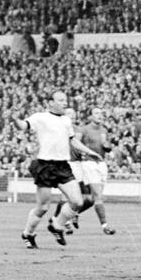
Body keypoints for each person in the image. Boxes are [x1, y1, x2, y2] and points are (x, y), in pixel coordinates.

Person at [19, 91, 103, 248]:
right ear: (51, 102)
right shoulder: (40, 117)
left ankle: (56, 226)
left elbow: (73, 141)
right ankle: (27, 234)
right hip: (44, 165)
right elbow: (23, 126)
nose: (65, 102)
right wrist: (15, 120)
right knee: (43, 207)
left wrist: (90, 152)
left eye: (66, 100)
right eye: (61, 100)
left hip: (62, 166)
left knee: (77, 202)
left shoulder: (66, 121)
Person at [54, 105, 116, 235]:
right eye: (96, 113)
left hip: (100, 164)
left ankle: (67, 217)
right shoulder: (83, 129)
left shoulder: (104, 130)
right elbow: (75, 143)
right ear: (90, 116)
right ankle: (105, 226)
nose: (100, 115)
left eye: (101, 113)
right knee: (94, 196)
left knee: (91, 198)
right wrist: (82, 156)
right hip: (86, 164)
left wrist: (108, 147)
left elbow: (105, 146)